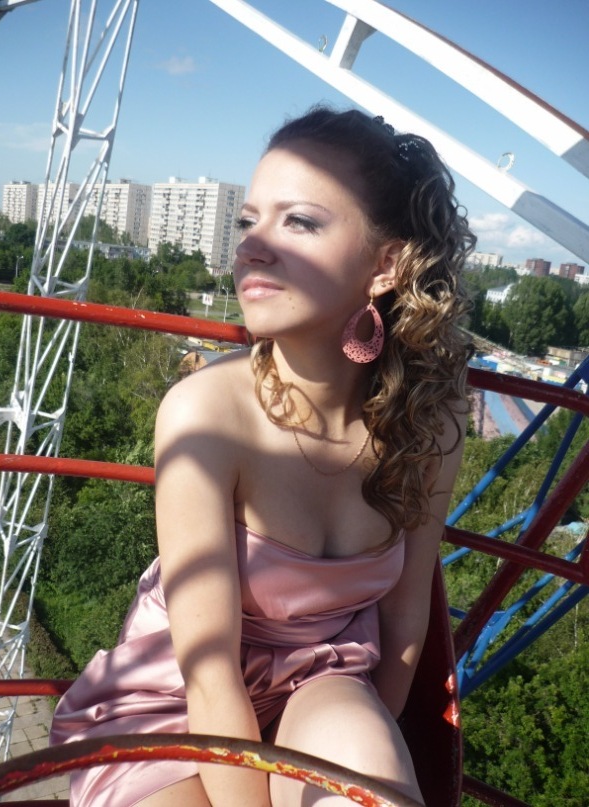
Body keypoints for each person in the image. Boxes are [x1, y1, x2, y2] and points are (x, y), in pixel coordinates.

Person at [50, 105, 475, 806]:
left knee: (368, 774)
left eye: (298, 221)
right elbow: (209, 675)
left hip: (323, 684)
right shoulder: (207, 414)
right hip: (176, 702)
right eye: (250, 220)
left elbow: (405, 624)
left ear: (386, 265)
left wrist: (371, 732)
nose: (251, 246)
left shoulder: (430, 421)